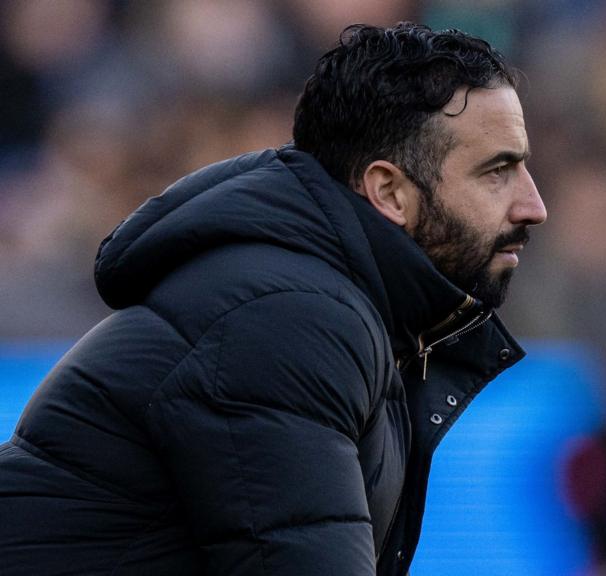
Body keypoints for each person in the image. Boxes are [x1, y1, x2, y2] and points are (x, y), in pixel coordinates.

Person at [0, 22, 546, 576]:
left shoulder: (337, 304)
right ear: (389, 191)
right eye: (497, 171)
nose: (534, 206)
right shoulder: (288, 317)